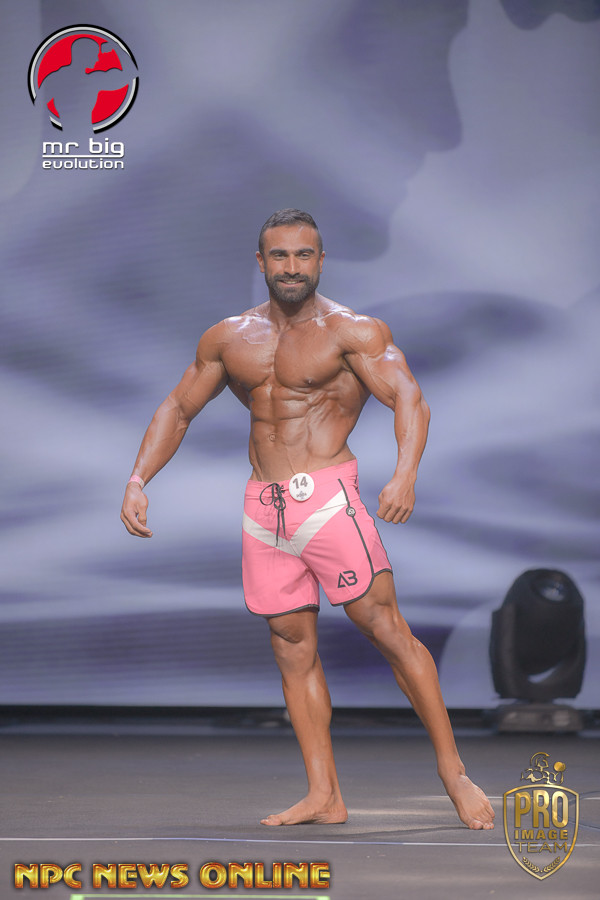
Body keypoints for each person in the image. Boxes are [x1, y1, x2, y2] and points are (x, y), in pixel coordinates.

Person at [120, 208, 495, 830]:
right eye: (279, 255)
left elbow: (408, 396)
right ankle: (324, 794)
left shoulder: (352, 331)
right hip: (264, 509)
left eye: (303, 255)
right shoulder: (228, 337)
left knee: (386, 630)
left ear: (320, 261)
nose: (291, 267)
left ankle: (454, 773)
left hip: (327, 499)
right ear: (261, 262)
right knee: (291, 647)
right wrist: (138, 480)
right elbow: (178, 409)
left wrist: (404, 473)